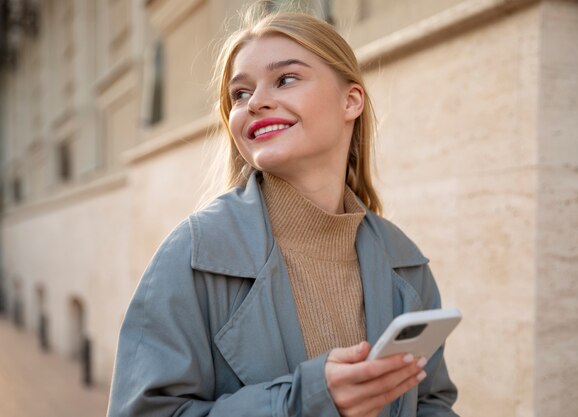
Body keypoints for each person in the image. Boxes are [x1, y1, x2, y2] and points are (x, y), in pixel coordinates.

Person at [107, 5, 458, 417]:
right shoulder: (193, 254)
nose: (255, 102)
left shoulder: (405, 263)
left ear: (351, 101)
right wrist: (305, 401)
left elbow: (430, 402)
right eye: (240, 93)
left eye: (285, 79)